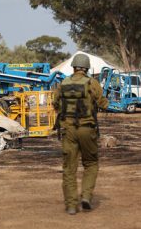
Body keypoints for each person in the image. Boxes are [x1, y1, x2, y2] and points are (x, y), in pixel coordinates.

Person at [53, 54, 108, 215]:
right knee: (91, 163)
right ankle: (86, 196)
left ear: (74, 67)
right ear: (87, 68)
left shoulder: (63, 83)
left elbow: (55, 104)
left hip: (68, 130)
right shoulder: (92, 83)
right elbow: (103, 103)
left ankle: (71, 205)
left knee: (69, 168)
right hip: (87, 129)